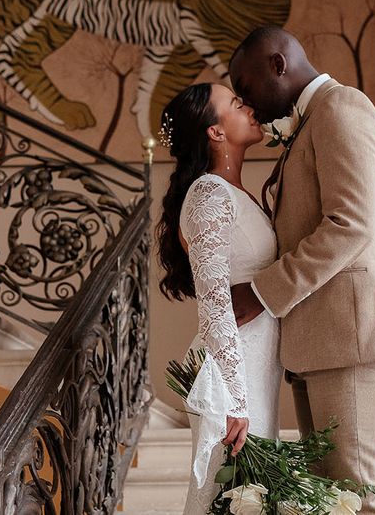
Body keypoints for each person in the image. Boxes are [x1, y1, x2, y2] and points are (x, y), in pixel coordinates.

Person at [228, 25, 375, 514]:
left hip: (353, 335)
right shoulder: (312, 121)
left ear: (278, 64)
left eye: (246, 88)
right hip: (324, 341)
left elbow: (351, 224)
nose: (246, 105)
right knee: (327, 501)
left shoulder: (342, 107)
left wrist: (261, 292)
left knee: (357, 499)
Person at [155, 82, 283, 514]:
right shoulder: (209, 194)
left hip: (256, 367)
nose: (248, 106)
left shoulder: (237, 194)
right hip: (232, 377)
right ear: (215, 131)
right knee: (227, 501)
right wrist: (235, 398)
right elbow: (213, 300)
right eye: (235, 102)